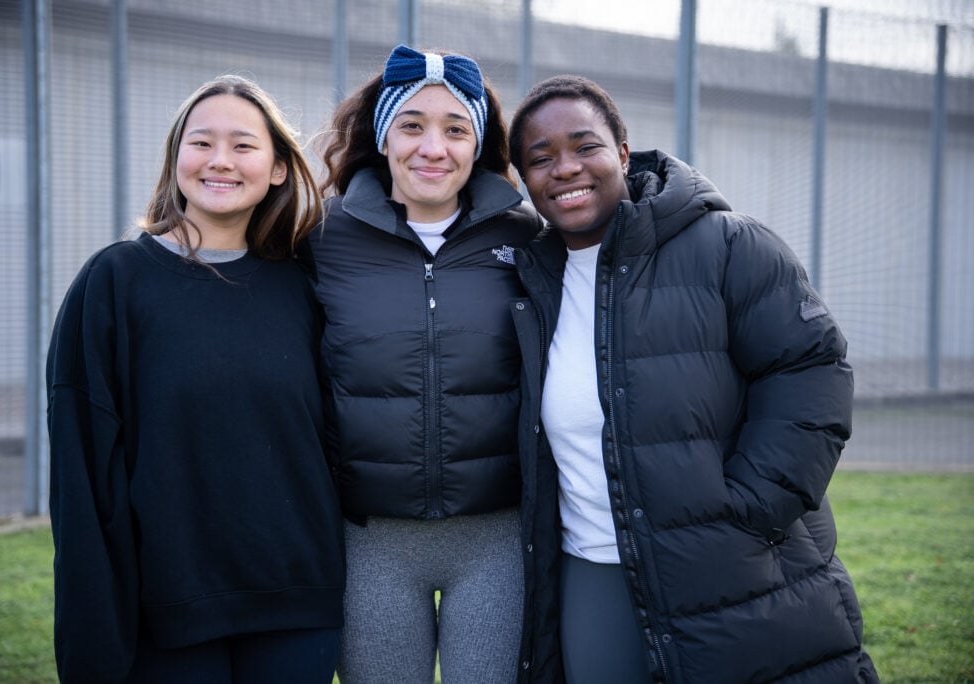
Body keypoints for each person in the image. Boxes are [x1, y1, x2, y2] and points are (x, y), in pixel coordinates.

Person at [507, 75, 880, 683]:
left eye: (586, 147)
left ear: (623, 153)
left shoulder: (730, 245)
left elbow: (810, 369)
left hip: (733, 565)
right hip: (590, 572)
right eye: (541, 159)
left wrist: (753, 508)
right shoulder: (530, 280)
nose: (565, 169)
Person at [46, 75, 344, 683]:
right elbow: (83, 476)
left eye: (243, 145)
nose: (220, 161)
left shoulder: (308, 286)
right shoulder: (115, 282)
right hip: (166, 613)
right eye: (200, 142)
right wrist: (92, 633)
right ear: (175, 158)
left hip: (297, 607)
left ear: (280, 168)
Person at [307, 45, 542, 684]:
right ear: (381, 136)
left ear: (478, 143)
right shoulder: (319, 240)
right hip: (369, 540)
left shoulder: (528, 239)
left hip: (495, 539)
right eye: (411, 125)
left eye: (455, 129)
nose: (432, 147)